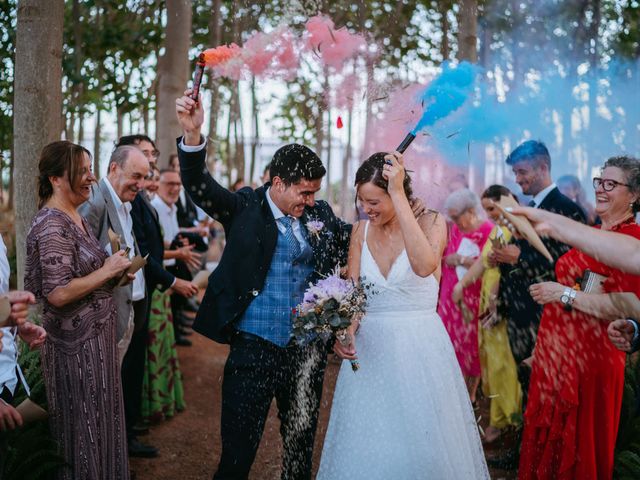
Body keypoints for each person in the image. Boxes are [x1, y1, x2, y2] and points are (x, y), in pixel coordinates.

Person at [175, 90, 353, 480]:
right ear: (277, 182)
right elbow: (199, 185)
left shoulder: (318, 212)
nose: (310, 200)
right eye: (303, 191)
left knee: (299, 447)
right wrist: (192, 136)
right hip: (253, 349)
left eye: (314, 192)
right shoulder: (243, 208)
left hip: (305, 353)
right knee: (238, 452)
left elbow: (353, 240)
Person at [319, 152, 488, 478]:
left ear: (398, 191)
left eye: (374, 201)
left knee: (422, 452)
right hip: (369, 357)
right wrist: (346, 331)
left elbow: (424, 266)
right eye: (361, 201)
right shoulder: (360, 232)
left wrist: (398, 197)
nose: (366, 210)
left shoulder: (433, 222)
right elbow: (356, 298)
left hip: (420, 353)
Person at [518, 155, 640, 479]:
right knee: (549, 449)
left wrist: (563, 294)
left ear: (635, 194)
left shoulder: (631, 240)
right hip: (558, 356)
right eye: (599, 181)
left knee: (580, 450)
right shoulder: (592, 232)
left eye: (611, 184)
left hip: (592, 360)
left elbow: (627, 304)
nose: (600, 189)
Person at [24, 141, 132, 479]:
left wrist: (115, 273)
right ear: (57, 179)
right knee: (80, 432)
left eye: (90, 169)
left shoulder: (76, 216)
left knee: (101, 427)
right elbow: (57, 292)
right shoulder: (52, 223)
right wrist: (107, 271)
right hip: (75, 354)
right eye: (82, 171)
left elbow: (86, 277)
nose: (91, 177)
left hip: (97, 349)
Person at [486, 140, 586, 470]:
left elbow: (570, 261)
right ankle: (525, 451)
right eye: (515, 172)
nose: (518, 179)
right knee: (524, 383)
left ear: (543, 168)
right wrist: (504, 262)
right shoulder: (525, 206)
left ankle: (544, 457)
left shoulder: (567, 209)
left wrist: (520, 256)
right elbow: (521, 256)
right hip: (518, 309)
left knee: (542, 389)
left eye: (523, 172)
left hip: (545, 315)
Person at [452, 185, 522, 444]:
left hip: (501, 304)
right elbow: (484, 262)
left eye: (493, 208)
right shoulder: (499, 229)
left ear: (507, 201)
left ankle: (505, 423)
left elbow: (505, 270)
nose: (490, 214)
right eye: (487, 210)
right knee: (490, 362)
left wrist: (495, 298)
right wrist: (462, 285)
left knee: (502, 364)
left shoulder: (517, 229)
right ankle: (499, 420)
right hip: (488, 301)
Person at [79, 146, 149, 363]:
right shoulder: (93, 203)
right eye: (136, 176)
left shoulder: (126, 203)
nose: (141, 184)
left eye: (144, 177)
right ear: (114, 168)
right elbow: (79, 267)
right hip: (102, 323)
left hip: (126, 313)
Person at [438, 188, 493, 404]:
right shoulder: (455, 229)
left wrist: (460, 259)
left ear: (471, 211)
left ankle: (469, 395)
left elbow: (489, 264)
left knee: (472, 348)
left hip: (474, 299)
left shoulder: (489, 231)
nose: (453, 222)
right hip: (450, 299)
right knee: (448, 344)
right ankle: (451, 394)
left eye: (456, 217)